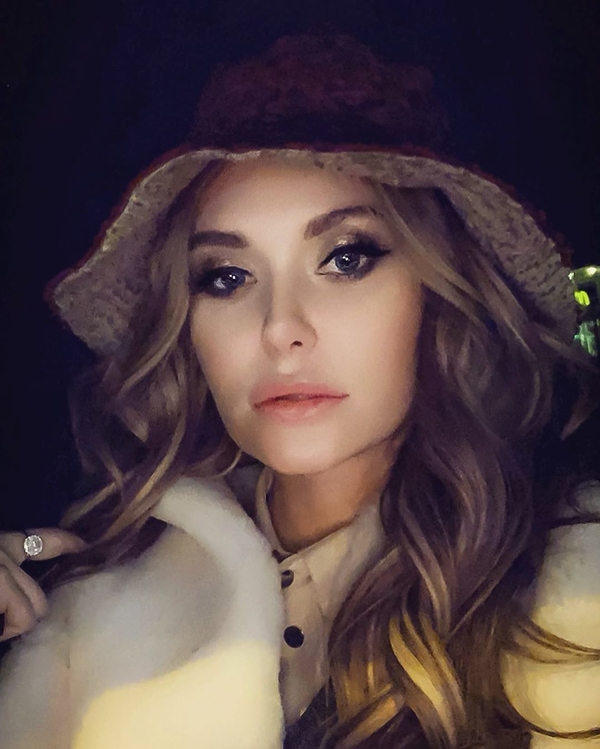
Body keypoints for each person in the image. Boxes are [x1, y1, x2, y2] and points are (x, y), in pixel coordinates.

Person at [0, 31, 599, 749]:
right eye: (227, 277)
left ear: (436, 294)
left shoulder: (574, 597)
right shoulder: (91, 613)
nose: (281, 328)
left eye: (346, 259)